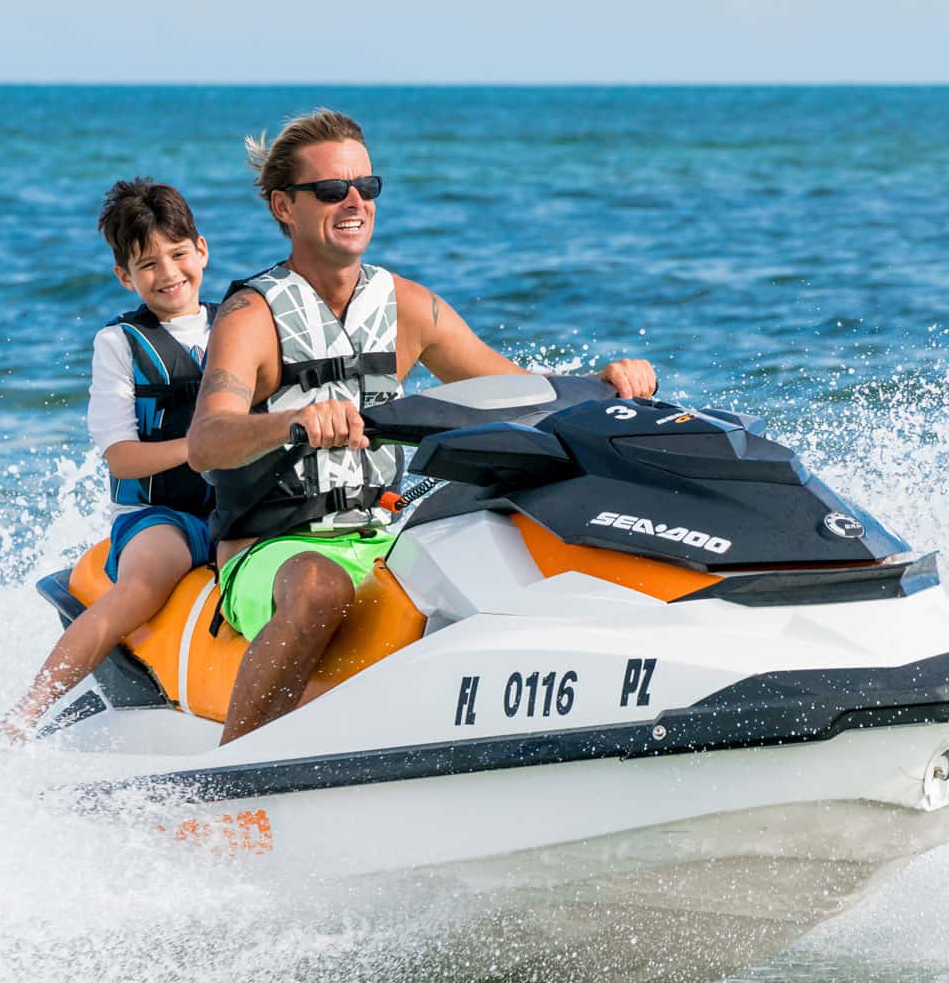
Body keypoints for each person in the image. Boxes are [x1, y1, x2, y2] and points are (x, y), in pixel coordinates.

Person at [187, 109, 657, 744]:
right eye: (331, 190)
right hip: (273, 550)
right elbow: (206, 442)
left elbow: (515, 396)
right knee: (322, 587)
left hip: (386, 531)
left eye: (366, 187)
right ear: (284, 207)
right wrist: (294, 422)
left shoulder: (409, 306)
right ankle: (228, 784)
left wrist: (610, 386)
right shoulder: (251, 314)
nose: (354, 202)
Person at [0, 178, 218, 742]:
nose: (168, 273)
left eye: (178, 254)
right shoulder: (119, 344)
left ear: (202, 250)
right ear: (125, 276)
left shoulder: (242, 323)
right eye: (148, 264)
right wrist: (198, 450)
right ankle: (23, 717)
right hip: (160, 517)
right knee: (144, 587)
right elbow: (121, 459)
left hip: (242, 508)